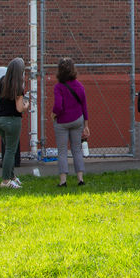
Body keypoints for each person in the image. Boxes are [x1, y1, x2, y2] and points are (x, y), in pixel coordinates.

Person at [52, 57, 89, 186]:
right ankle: (80, 178)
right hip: (78, 120)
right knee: (77, 149)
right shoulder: (79, 86)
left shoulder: (59, 87)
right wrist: (86, 124)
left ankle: (63, 180)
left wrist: (53, 114)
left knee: (62, 151)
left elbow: (58, 106)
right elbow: (84, 105)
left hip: (62, 121)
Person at [0, 58, 29, 189]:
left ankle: (12, 176)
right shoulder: (18, 84)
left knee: (9, 149)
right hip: (12, 121)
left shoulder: (1, 81)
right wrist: (26, 105)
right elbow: (19, 108)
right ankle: (5, 181)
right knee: (10, 151)